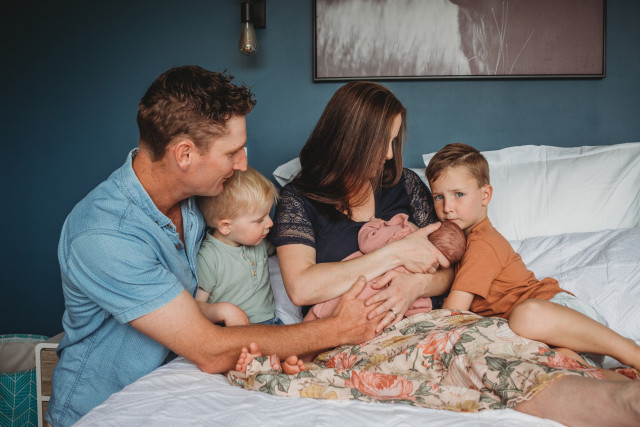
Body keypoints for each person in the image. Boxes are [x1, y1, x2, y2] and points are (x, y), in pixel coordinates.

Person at [48, 66, 382, 427]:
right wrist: (337, 329)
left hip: (173, 395)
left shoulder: (200, 201)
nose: (243, 164)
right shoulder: (104, 234)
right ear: (185, 154)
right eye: (232, 152)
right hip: (104, 410)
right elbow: (207, 348)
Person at [426, 143, 640, 373]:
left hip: (560, 317)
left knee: (525, 316)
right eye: (438, 197)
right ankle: (620, 381)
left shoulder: (482, 243)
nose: (447, 207)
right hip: (549, 342)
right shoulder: (460, 243)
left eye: (459, 194)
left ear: (485, 195)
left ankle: (630, 352)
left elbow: (453, 313)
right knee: (550, 367)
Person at [271, 81, 454, 334]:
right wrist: (396, 253)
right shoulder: (298, 200)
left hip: (420, 327)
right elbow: (301, 288)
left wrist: (415, 286)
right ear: (351, 139)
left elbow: (450, 268)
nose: (389, 154)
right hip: (349, 334)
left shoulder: (405, 184)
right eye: (382, 141)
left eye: (393, 141)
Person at [304, 214, 466, 322]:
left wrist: (375, 224)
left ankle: (299, 358)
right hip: (376, 319)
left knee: (317, 318)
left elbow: (368, 243)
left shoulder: (402, 234)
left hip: (348, 295)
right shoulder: (425, 276)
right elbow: (418, 312)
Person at [195, 166, 282, 326]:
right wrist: (224, 311)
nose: (270, 223)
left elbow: (283, 251)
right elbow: (197, 307)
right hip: (234, 329)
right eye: (259, 220)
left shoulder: (259, 241)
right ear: (225, 226)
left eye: (268, 215)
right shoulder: (209, 258)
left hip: (271, 323)